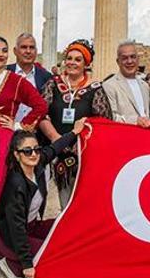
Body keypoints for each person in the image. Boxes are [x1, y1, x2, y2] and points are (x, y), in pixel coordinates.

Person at [0, 36, 48, 268]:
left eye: (4, 51)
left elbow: (40, 105)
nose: (1, 54)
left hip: (0, 142)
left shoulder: (15, 80)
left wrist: (19, 125)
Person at [0, 118, 86, 278]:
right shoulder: (16, 184)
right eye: (27, 151)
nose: (33, 154)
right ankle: (11, 263)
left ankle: (26, 256)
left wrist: (75, 132)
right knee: (54, 253)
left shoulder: (38, 163)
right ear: (16, 154)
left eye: (36, 149)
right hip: (13, 238)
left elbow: (55, 148)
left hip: (32, 227)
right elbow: (16, 228)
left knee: (66, 228)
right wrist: (27, 265)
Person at [38, 39, 112, 209]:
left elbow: (104, 122)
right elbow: (41, 114)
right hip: (56, 151)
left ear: (86, 64)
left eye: (78, 60)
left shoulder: (95, 89)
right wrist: (57, 139)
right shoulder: (53, 84)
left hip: (84, 154)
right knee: (65, 203)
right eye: (69, 58)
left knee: (85, 205)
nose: (72, 62)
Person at [102, 41, 150, 128]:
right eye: (124, 58)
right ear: (118, 61)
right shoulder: (109, 85)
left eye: (133, 57)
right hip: (124, 134)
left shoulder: (145, 86)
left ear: (138, 59)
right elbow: (111, 117)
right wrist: (136, 121)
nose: (129, 61)